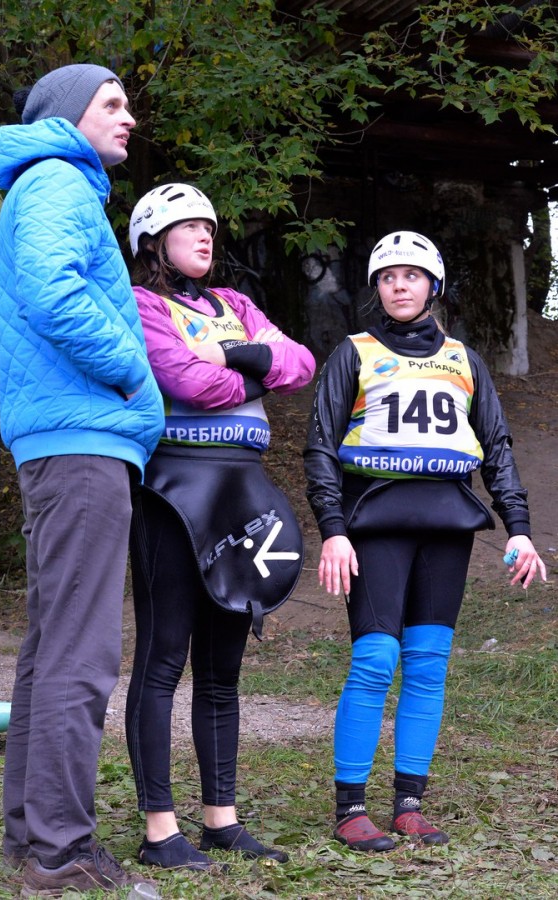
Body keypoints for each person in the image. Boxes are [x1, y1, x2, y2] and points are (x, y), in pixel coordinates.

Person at [303, 231, 546, 852]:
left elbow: (497, 447)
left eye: (411, 275)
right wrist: (332, 530)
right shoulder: (353, 353)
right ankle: (350, 808)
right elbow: (321, 447)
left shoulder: (465, 360)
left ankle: (409, 804)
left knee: (429, 661)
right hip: (375, 522)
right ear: (377, 289)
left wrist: (520, 530)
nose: (399, 285)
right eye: (387, 277)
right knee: (375, 659)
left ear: (433, 285)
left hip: (446, 525)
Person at [0, 64, 164, 897]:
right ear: (67, 115)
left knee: (52, 645)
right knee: (83, 654)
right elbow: (54, 294)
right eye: (111, 103)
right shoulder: (59, 179)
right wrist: (132, 370)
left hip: (63, 440)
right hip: (83, 440)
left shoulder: (46, 183)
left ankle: (33, 838)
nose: (128, 117)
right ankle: (62, 853)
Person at [125, 183, 316, 870]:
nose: (206, 236)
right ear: (154, 242)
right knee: (163, 660)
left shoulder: (234, 304)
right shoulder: (142, 304)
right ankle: (160, 831)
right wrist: (258, 366)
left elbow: (301, 364)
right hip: (174, 492)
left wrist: (235, 358)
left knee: (222, 669)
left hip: (241, 488)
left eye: (209, 226)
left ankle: (221, 822)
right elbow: (188, 383)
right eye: (188, 227)